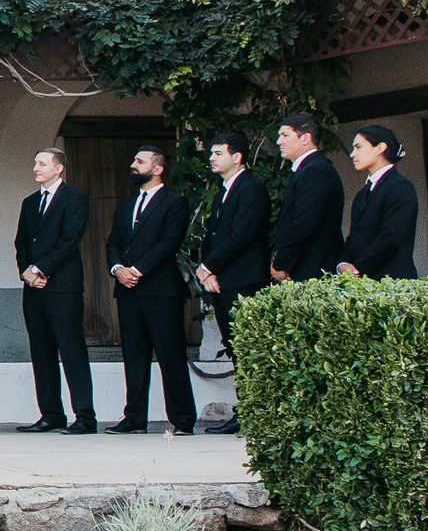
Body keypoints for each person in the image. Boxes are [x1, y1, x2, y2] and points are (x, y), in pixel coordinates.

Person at [104, 146, 196, 435]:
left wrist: (137, 270)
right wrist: (118, 269)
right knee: (134, 354)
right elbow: (113, 243)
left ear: (158, 169)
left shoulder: (174, 202)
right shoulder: (125, 205)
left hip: (160, 290)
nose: (133, 165)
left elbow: (169, 243)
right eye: (134, 160)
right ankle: (134, 417)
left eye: (139, 161)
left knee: (171, 354)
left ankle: (182, 419)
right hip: (128, 290)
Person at [14, 148, 95, 435]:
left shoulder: (74, 199)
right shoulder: (30, 202)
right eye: (35, 162)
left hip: (62, 287)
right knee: (41, 351)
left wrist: (41, 269)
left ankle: (85, 415)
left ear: (58, 168)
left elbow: (69, 240)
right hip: (33, 289)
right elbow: (21, 241)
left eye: (42, 163)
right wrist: (27, 271)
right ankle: (51, 414)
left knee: (71, 349)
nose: (36, 167)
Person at [195, 132, 270, 436]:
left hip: (244, 278)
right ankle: (246, 409)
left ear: (236, 157)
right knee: (235, 346)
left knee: (246, 347)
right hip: (224, 279)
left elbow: (243, 234)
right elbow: (215, 236)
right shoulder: (224, 189)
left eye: (217, 153)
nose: (211, 158)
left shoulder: (251, 187)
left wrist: (209, 266)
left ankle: (254, 412)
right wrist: (209, 272)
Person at [339, 124, 419, 279]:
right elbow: (354, 237)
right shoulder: (362, 193)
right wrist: (342, 263)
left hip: (393, 283)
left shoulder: (400, 187)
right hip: (364, 283)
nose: (352, 154)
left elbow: (391, 237)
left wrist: (358, 268)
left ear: (380, 148)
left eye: (358, 147)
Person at [271, 112, 344, 280]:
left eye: (285, 135)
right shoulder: (308, 169)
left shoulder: (315, 170)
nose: (278, 141)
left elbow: (303, 223)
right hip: (304, 266)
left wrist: (281, 263)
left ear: (305, 138)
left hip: (312, 269)